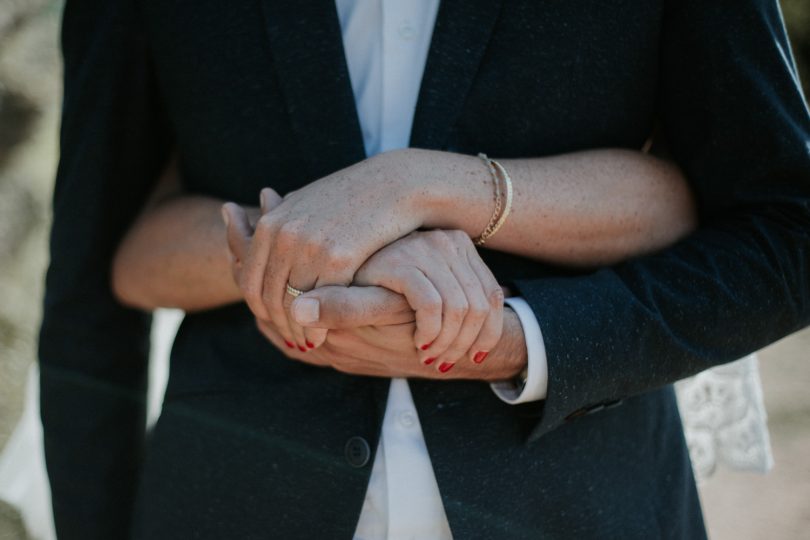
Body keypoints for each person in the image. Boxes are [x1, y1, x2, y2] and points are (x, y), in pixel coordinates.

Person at [39, 1, 810, 539]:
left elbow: (784, 231)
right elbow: (90, 282)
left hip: (579, 506)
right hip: (233, 501)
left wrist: (525, 340)